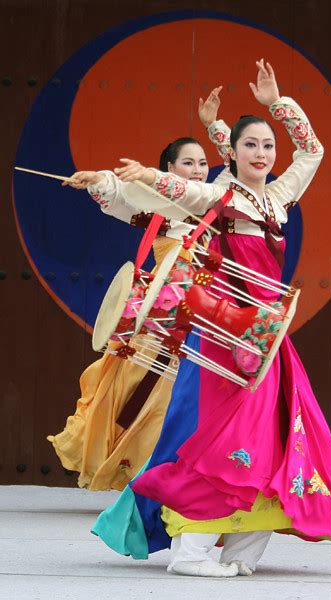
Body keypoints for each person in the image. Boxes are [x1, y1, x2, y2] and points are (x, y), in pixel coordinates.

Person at [91, 60, 331, 578]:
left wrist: (279, 105)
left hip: (268, 337)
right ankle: (191, 552)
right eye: (251, 146)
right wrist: (136, 177)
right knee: (230, 438)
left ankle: (241, 551)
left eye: (268, 146)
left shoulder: (279, 196)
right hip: (228, 336)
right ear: (231, 153)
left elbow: (312, 151)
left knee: (280, 434)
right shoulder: (222, 195)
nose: (263, 154)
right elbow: (183, 192)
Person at [48, 136, 216, 491]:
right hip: (162, 313)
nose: (198, 170)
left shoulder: (216, 203)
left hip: (208, 315)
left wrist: (216, 126)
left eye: (202, 163)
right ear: (170, 169)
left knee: (194, 393)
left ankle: (185, 475)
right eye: (189, 163)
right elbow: (124, 197)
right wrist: (99, 179)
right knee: (140, 387)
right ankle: (142, 470)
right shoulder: (160, 205)